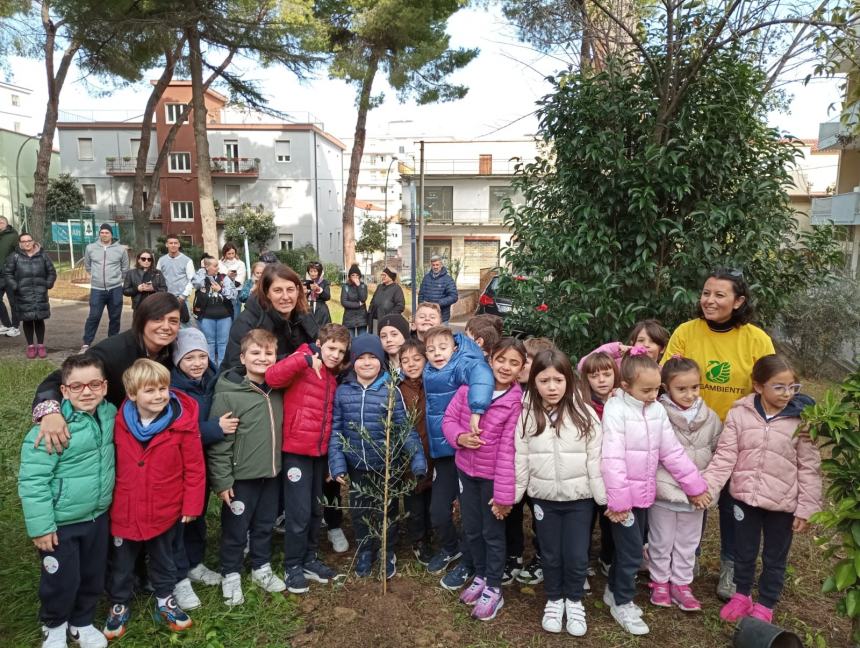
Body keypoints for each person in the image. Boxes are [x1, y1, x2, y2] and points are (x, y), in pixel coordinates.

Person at [661, 269, 775, 600]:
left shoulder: (756, 339)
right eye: (706, 293)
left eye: (720, 295)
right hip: (689, 432)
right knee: (689, 498)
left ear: (738, 301)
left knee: (732, 503)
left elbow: (768, 384)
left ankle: (732, 567)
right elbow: (668, 378)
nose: (709, 300)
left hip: (736, 434)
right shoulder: (687, 332)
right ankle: (686, 560)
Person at [703, 355, 821, 624]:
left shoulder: (802, 422)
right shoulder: (739, 414)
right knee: (743, 551)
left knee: (774, 556)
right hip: (744, 499)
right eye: (778, 387)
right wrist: (708, 488)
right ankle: (742, 594)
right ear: (758, 386)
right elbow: (725, 456)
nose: (787, 393)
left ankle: (766, 603)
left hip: (783, 504)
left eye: (793, 387)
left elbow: (809, 467)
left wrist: (806, 508)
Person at [600, 349, 710, 636]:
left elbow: (671, 452)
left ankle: (613, 590)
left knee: (631, 550)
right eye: (645, 390)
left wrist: (695, 486)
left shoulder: (657, 410)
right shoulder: (616, 409)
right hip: (623, 500)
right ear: (625, 387)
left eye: (656, 389)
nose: (653, 395)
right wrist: (620, 502)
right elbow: (611, 458)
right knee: (632, 552)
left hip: (644, 496)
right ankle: (622, 602)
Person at [103, 359, 205, 639]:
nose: (159, 395)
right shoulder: (118, 421)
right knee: (122, 564)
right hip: (125, 508)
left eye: (163, 388)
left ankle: (165, 599)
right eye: (150, 390)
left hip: (166, 507)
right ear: (132, 394)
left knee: (164, 558)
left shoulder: (181, 423)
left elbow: (195, 468)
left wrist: (192, 504)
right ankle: (119, 603)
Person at [18, 355, 115, 648]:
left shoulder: (111, 415)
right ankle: (55, 624)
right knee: (61, 579)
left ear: (106, 386)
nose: (86, 392)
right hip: (62, 524)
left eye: (94, 384)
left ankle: (82, 621)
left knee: (92, 575)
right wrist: (41, 527)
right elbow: (33, 481)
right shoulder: (50, 428)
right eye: (77, 386)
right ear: (64, 391)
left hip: (98, 517)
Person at [514, 349, 606, 637]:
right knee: (551, 553)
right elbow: (521, 456)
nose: (551, 387)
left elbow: (596, 459)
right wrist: (514, 496)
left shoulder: (585, 414)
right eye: (544, 381)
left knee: (577, 554)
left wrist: (603, 499)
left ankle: (575, 600)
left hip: (580, 499)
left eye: (558, 380)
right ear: (533, 381)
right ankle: (554, 598)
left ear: (569, 380)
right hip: (544, 499)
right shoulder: (527, 415)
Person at [32, 293, 182, 456]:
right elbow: (57, 379)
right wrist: (50, 413)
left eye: (173, 321)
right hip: (107, 439)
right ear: (142, 320)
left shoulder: (174, 351)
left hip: (152, 432)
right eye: (158, 319)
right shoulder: (113, 351)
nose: (166, 327)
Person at [328, 334, 427, 579]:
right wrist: (337, 463)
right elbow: (336, 430)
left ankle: (386, 551)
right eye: (361, 358)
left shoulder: (391, 391)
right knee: (361, 511)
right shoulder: (343, 392)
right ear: (353, 362)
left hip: (386, 465)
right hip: (357, 465)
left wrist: (417, 460)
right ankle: (364, 550)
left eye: (373, 357)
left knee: (387, 511)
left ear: (381, 361)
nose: (367, 362)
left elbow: (405, 429)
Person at [443, 338, 526, 621]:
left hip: (493, 479)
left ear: (521, 368)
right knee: (472, 528)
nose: (506, 367)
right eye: (501, 359)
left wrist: (503, 496)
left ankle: (493, 586)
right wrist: (460, 437)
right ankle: (479, 575)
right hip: (466, 472)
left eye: (514, 363)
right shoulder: (468, 389)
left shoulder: (515, 403)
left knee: (492, 533)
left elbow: (508, 452)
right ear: (490, 360)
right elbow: (448, 420)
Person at [265, 323, 350, 594]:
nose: (335, 354)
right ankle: (293, 565)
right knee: (298, 512)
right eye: (331, 348)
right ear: (318, 344)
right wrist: (303, 360)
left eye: (341, 350)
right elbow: (272, 377)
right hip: (296, 452)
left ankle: (310, 558)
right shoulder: (301, 361)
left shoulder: (333, 377)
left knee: (315, 510)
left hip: (318, 454)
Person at [208, 329, 287, 606]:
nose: (262, 358)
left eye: (268, 353)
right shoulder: (229, 393)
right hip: (241, 478)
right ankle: (230, 573)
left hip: (272, 473)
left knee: (265, 524)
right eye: (255, 353)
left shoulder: (278, 389)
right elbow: (220, 443)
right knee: (235, 529)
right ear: (242, 357)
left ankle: (261, 568)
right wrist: (223, 481)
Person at [170, 328, 238, 610]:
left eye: (201, 356)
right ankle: (177, 575)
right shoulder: (172, 389)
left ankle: (194, 563)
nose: (197, 363)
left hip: (201, 463)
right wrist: (214, 429)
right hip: (177, 467)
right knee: (179, 519)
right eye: (189, 358)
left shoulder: (212, 380)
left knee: (196, 513)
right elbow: (173, 431)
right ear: (177, 362)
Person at [647, 356, 722, 613]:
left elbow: (717, 452)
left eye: (695, 387)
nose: (690, 394)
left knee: (688, 542)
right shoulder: (655, 414)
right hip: (664, 492)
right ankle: (659, 581)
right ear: (666, 387)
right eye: (682, 389)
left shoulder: (710, 417)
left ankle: (681, 583)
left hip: (696, 496)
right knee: (661, 540)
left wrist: (706, 487)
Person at [422, 326, 494, 589]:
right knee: (439, 511)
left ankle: (469, 561)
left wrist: (477, 408)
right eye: (430, 350)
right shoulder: (429, 371)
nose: (437, 353)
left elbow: (481, 374)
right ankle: (451, 547)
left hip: (467, 452)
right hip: (443, 453)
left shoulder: (462, 364)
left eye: (442, 348)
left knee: (470, 514)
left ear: (454, 348)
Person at [509, 337, 556, 586]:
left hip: (541, 470)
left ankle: (542, 557)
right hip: (514, 465)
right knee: (513, 512)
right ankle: (514, 554)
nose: (520, 365)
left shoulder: (549, 395)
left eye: (526, 361)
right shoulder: (511, 389)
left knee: (541, 516)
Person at [222, 264, 318, 370]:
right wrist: (292, 362)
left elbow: (318, 347)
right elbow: (236, 366)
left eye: (290, 289)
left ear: (298, 290)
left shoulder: (305, 314)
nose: (285, 297)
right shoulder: (246, 321)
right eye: (278, 290)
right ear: (267, 293)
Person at [580, 351, 619, 576]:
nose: (602, 380)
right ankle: (582, 561)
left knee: (609, 519)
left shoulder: (623, 400)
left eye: (607, 374)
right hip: (587, 472)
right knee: (585, 521)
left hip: (612, 473)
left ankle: (607, 556)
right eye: (595, 376)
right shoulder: (581, 404)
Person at [398, 339, 433, 565]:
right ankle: (418, 540)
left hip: (433, 452)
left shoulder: (434, 384)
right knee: (414, 499)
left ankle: (430, 534)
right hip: (409, 455)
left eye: (416, 359)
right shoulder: (399, 390)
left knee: (431, 498)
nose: (411, 364)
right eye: (405, 361)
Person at [4, 232, 56, 359]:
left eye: (28, 240)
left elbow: (52, 272)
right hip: (22, 294)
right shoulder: (14, 256)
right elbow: (8, 273)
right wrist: (15, 286)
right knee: (27, 320)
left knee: (39, 319)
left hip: (40, 293)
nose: (26, 243)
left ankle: (41, 346)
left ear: (33, 241)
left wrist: (47, 284)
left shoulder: (43, 256)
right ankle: (31, 347)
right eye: (23, 241)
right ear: (20, 244)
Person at [81, 224, 129, 352]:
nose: (104, 235)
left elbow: (125, 268)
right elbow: (88, 266)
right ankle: (86, 344)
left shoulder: (120, 249)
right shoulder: (90, 248)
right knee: (94, 316)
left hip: (115, 288)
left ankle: (112, 344)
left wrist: (116, 279)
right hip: (97, 289)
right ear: (99, 234)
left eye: (107, 232)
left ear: (111, 234)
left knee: (115, 317)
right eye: (102, 232)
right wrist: (97, 278)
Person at [192, 257, 237, 367]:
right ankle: (210, 368)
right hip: (206, 316)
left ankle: (222, 368)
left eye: (218, 265)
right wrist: (203, 271)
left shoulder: (223, 277)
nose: (218, 267)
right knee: (209, 343)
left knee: (223, 343)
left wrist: (220, 290)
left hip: (224, 316)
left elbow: (234, 294)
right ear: (207, 266)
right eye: (215, 265)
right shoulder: (201, 278)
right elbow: (195, 284)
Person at [577, 319, 670, 371]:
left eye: (652, 341)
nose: (646, 345)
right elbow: (583, 365)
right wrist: (617, 348)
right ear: (632, 344)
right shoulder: (619, 364)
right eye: (640, 340)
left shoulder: (662, 372)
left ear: (662, 349)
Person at [156, 235, 195, 323]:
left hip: (182, 300)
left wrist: (182, 296)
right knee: (167, 325)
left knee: (185, 326)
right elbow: (157, 279)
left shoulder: (187, 261)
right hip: (166, 299)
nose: (173, 245)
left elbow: (191, 281)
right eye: (171, 243)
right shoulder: (161, 260)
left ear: (179, 245)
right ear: (166, 245)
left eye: (175, 243)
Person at [418, 255, 458, 324]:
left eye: (437, 265)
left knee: (441, 335)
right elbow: (421, 295)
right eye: (433, 265)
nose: (435, 267)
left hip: (442, 317)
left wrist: (438, 303)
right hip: (427, 317)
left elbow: (454, 296)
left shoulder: (448, 279)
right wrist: (421, 307)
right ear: (431, 265)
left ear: (441, 265)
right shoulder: (426, 278)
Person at [0, 215, 21, 337]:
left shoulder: (13, 236)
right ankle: (7, 325)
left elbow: (19, 254)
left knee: (14, 302)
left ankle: (15, 326)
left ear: (6, 224)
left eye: (1, 222)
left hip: (10, 274)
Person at [368, 267, 405, 333]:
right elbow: (373, 301)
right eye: (382, 275)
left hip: (388, 322)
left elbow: (400, 306)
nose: (382, 277)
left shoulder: (397, 289)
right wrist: (370, 311)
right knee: (375, 340)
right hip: (375, 320)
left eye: (384, 275)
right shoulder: (379, 287)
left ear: (391, 277)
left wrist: (389, 316)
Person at [218, 243, 246, 319]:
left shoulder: (240, 264)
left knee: (235, 315)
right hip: (222, 292)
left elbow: (239, 280)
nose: (231, 256)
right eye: (228, 253)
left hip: (236, 292)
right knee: (224, 315)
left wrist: (227, 280)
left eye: (233, 253)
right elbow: (218, 278)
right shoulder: (219, 263)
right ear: (224, 253)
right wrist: (227, 275)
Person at [341, 264, 368, 337]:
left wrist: (358, 286)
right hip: (349, 318)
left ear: (359, 276)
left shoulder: (363, 286)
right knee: (350, 341)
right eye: (353, 275)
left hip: (362, 318)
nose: (355, 277)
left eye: (357, 275)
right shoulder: (345, 287)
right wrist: (358, 304)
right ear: (349, 276)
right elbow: (344, 302)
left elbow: (363, 299)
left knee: (362, 340)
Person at [305, 261, 332, 327]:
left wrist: (319, 290)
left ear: (319, 272)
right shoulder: (305, 282)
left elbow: (327, 297)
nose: (313, 273)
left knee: (322, 331)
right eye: (311, 271)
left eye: (315, 271)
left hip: (320, 310)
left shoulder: (324, 282)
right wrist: (306, 292)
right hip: (307, 307)